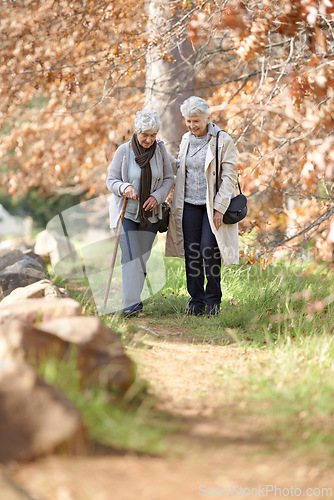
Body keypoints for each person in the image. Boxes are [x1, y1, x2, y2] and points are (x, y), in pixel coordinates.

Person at [166, 96, 239, 317]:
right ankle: (196, 301)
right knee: (192, 253)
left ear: (208, 118)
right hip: (188, 205)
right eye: (188, 121)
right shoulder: (186, 139)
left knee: (209, 250)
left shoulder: (222, 140)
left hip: (211, 206)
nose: (191, 125)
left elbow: (229, 175)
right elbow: (181, 167)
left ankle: (213, 301)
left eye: (196, 121)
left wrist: (219, 208)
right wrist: (163, 154)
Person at [106, 109, 174, 316]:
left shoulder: (160, 151)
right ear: (136, 131)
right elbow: (111, 181)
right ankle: (131, 305)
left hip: (150, 216)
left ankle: (135, 300)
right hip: (126, 214)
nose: (148, 139)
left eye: (153, 135)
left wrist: (158, 196)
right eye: (145, 134)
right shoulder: (123, 152)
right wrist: (124, 188)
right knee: (130, 257)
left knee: (141, 259)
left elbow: (169, 178)